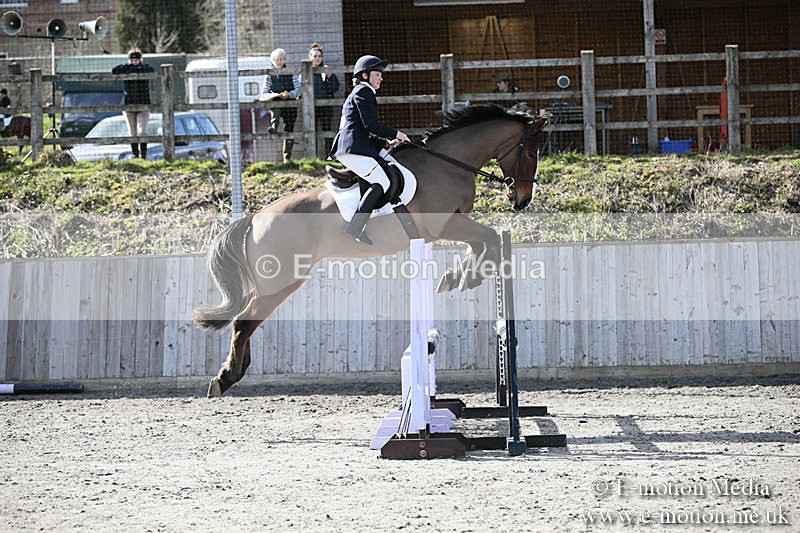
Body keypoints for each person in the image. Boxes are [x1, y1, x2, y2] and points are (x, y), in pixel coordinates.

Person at [329, 54, 411, 245]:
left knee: (380, 173)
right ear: (364, 75)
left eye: (381, 75)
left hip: (356, 145)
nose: (381, 78)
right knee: (381, 181)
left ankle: (367, 222)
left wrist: (384, 143)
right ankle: (355, 227)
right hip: (351, 148)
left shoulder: (362, 92)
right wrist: (397, 133)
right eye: (377, 74)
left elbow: (364, 129)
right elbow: (371, 125)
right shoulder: (363, 92)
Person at [260, 48, 301, 162]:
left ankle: (287, 158)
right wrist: (274, 95)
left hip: (290, 104)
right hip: (276, 104)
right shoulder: (269, 75)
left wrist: (289, 95)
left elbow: (298, 90)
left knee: (289, 130)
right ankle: (274, 127)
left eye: (281, 59)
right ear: (272, 61)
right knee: (275, 107)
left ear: (284, 60)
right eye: (276, 59)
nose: (279, 61)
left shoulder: (291, 73)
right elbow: (264, 93)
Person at [112, 48, 154, 158]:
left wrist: (136, 68)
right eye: (132, 60)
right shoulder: (126, 69)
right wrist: (129, 67)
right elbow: (115, 70)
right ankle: (135, 154)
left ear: (140, 60)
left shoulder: (145, 68)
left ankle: (143, 154)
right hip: (128, 104)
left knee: (142, 132)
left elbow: (150, 70)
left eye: (136, 60)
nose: (134, 62)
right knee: (132, 132)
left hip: (143, 104)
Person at [308, 43, 340, 156]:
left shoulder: (326, 70)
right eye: (315, 56)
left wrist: (329, 77)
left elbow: (334, 88)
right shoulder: (307, 72)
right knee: (312, 133)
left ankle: (329, 157)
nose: (317, 58)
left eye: (319, 56)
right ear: (310, 57)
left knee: (327, 132)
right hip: (311, 109)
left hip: (326, 106)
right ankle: (313, 158)